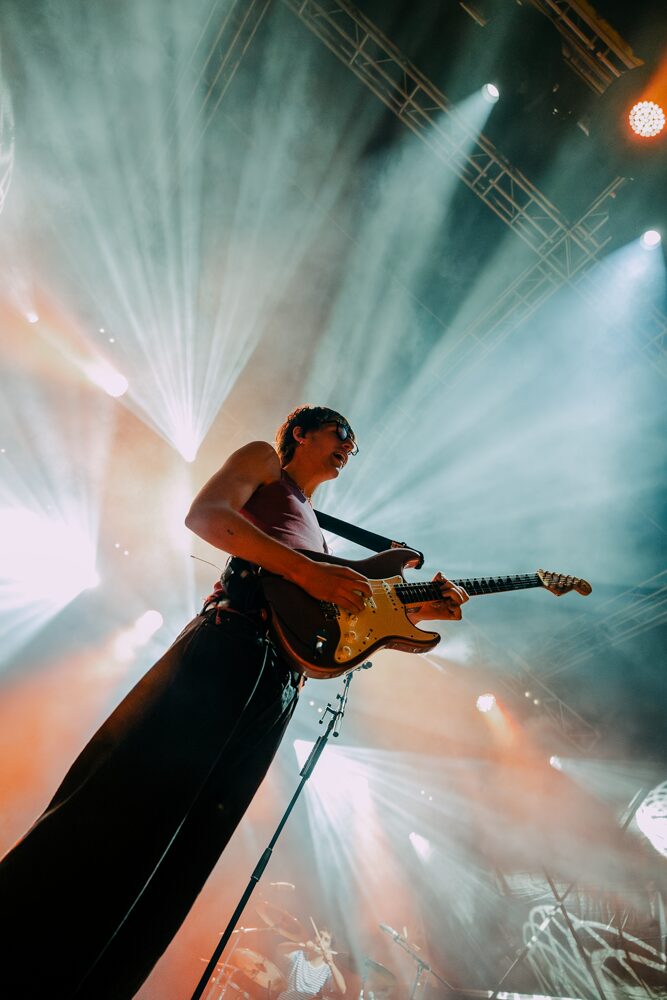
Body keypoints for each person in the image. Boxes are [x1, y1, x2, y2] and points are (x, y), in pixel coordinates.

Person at [0, 405, 468, 999]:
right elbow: (205, 515)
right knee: (122, 803)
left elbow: (341, 625)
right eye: (342, 433)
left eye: (354, 443)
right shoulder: (264, 462)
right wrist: (307, 572)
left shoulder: (317, 533)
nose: (350, 447)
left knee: (184, 852)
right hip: (229, 645)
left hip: (276, 688)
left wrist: (422, 609)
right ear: (301, 432)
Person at [276, 928, 346, 999]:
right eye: (319, 936)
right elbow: (280, 949)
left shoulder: (327, 970)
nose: (320, 941)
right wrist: (301, 946)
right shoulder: (299, 955)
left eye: (326, 940)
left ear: (330, 949)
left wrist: (331, 963)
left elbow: (342, 990)